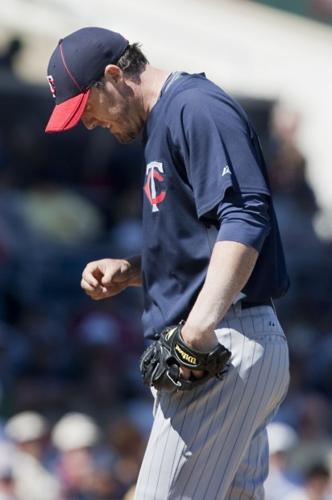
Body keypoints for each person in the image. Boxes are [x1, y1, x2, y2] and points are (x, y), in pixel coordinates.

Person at [45, 26, 290, 499]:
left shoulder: (194, 106)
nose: (88, 124)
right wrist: (136, 269)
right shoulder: (165, 120)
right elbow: (207, 238)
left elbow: (245, 216)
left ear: (113, 75)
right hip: (233, 341)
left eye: (86, 108)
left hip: (223, 341)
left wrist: (198, 331)